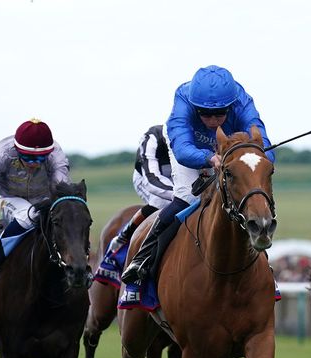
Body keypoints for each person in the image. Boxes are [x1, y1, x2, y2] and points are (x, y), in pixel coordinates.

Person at [120, 65, 274, 285]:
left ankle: (264, 269)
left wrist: (254, 160)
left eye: (220, 113)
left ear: (231, 106)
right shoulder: (182, 100)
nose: (213, 120)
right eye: (204, 113)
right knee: (187, 198)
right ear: (194, 107)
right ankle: (143, 258)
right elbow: (182, 149)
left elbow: (264, 147)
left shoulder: (243, 102)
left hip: (227, 146)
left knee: (247, 199)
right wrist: (209, 158)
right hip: (188, 146)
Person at [0, 118, 70, 287]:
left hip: (44, 199)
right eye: (28, 157)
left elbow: (62, 188)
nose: (34, 164)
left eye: (41, 158)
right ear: (16, 150)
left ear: (48, 153)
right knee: (29, 216)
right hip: (11, 198)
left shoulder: (56, 155)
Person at [103, 125, 175, 261]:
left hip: (176, 178)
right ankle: (124, 236)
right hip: (146, 177)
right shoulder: (153, 137)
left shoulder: (194, 134)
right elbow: (151, 178)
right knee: (162, 202)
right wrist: (178, 195)